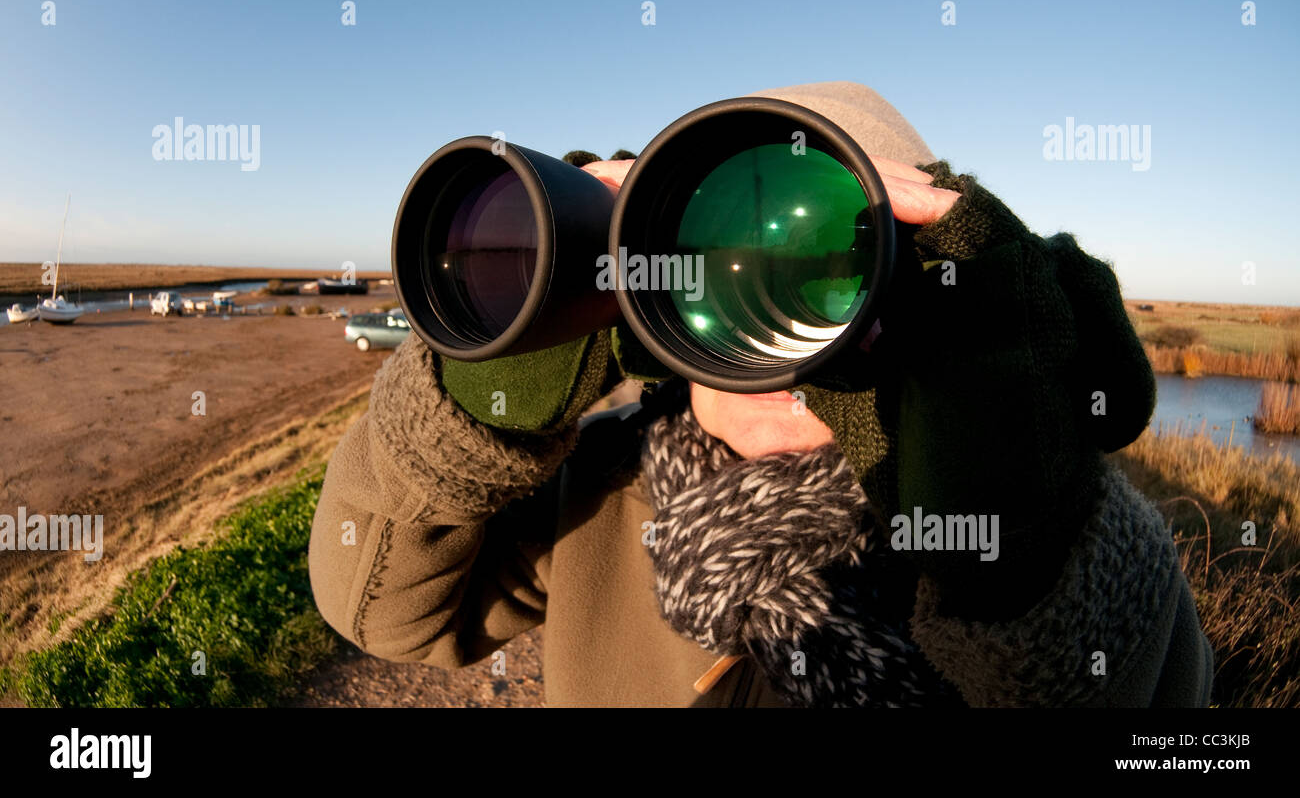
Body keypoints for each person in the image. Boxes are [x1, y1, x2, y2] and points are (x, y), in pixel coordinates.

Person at [307, 81, 1214, 707]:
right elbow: (377, 607)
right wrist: (480, 392)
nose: (777, 351)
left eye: (832, 269)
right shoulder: (607, 498)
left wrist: (1035, 552)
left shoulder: (1021, 513)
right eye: (721, 269)